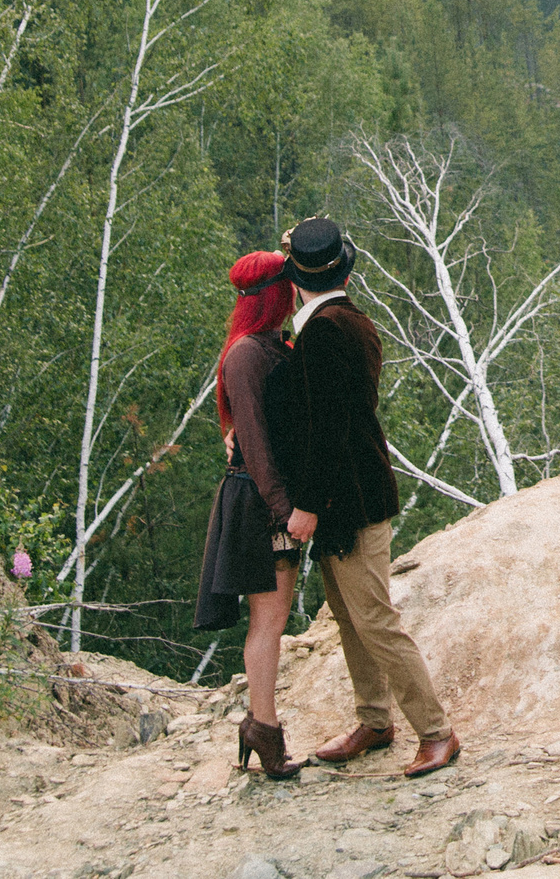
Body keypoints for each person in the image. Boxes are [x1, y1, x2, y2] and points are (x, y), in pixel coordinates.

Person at [265, 214, 461, 777]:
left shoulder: (324, 332)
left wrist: (305, 505)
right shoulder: (349, 322)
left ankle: (437, 731)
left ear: (295, 278)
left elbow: (329, 431)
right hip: (351, 495)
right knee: (352, 617)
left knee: (373, 618)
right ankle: (374, 720)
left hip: (347, 501)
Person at [192, 250, 307, 778]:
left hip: (262, 496)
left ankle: (261, 726)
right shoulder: (246, 354)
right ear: (275, 294)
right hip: (260, 502)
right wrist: (285, 510)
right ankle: (264, 727)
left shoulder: (262, 346)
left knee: (272, 618)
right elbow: (256, 444)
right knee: (269, 620)